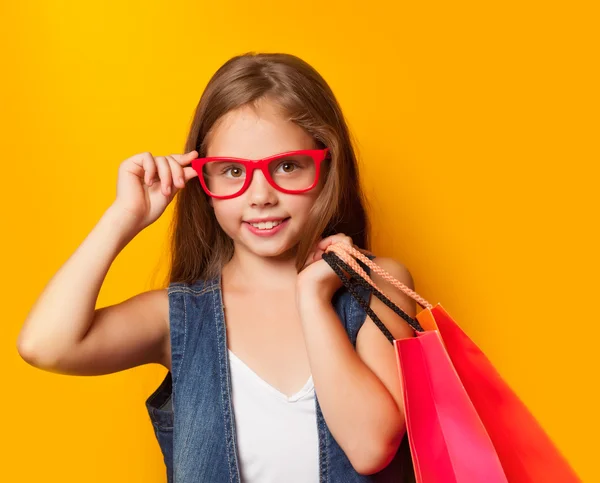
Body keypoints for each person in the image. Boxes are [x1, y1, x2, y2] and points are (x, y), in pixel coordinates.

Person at [17, 52, 417, 483]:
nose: (260, 195)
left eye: (286, 166)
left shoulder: (376, 286)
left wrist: (313, 299)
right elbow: (45, 344)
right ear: (202, 183)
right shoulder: (181, 319)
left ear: (326, 168)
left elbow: (371, 447)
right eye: (231, 171)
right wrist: (123, 217)